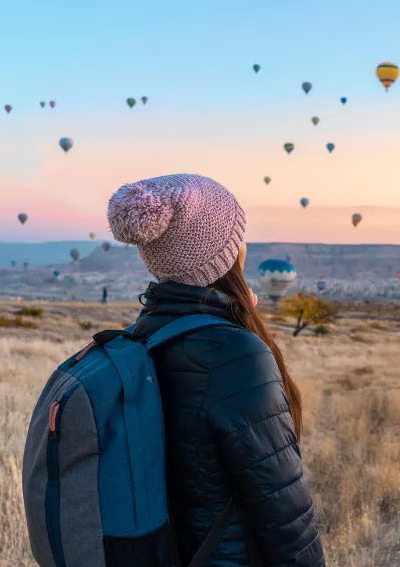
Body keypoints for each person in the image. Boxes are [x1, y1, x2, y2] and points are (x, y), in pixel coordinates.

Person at [107, 174, 324, 566]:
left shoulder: (143, 333)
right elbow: (284, 510)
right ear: (225, 252)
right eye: (238, 235)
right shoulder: (234, 352)